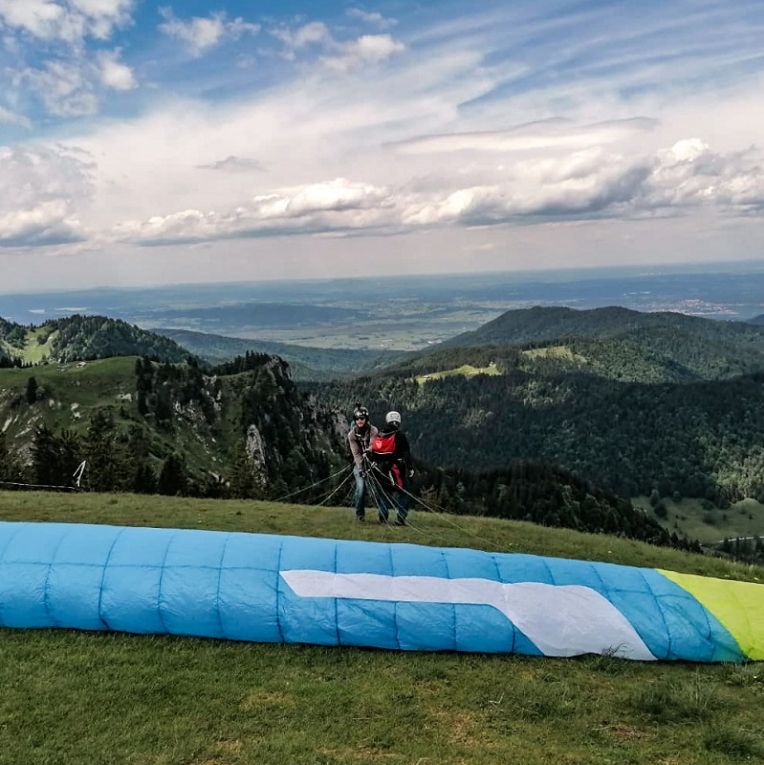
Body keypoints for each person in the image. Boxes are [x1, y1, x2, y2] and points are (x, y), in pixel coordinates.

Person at [367, 410, 414, 526]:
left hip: (382, 470)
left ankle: (383, 517)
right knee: (404, 492)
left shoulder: (380, 435)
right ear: (399, 421)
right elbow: (406, 453)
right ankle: (400, 518)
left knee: (383, 493)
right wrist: (410, 468)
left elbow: (374, 452)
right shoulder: (400, 435)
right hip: (397, 470)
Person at [347, 405, 378, 522]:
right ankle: (360, 515)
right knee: (361, 488)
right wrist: (361, 468)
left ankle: (383, 515)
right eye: (357, 418)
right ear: (354, 420)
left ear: (366, 419)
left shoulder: (373, 430)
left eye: (362, 418)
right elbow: (355, 453)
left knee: (378, 490)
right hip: (359, 464)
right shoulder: (351, 435)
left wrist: (368, 452)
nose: (360, 420)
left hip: (373, 462)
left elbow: (373, 445)